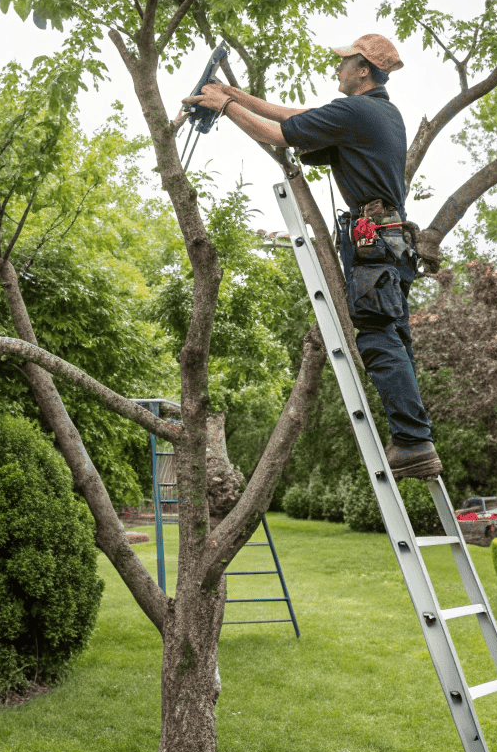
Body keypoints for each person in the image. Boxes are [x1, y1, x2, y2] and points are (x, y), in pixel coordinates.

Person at [182, 33, 442, 481]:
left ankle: (414, 443)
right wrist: (232, 94)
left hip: (373, 241)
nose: (337, 69)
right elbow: (297, 116)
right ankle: (413, 437)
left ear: (363, 69)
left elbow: (281, 133)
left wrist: (223, 106)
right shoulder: (378, 112)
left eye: (344, 63)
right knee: (395, 338)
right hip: (389, 239)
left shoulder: (359, 110)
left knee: (378, 336)